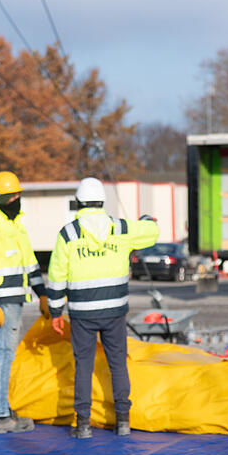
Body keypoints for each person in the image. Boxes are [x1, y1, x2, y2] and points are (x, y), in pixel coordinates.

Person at [46, 177, 159, 439]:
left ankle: (83, 424)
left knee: (83, 366)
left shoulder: (69, 234)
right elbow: (151, 232)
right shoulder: (120, 229)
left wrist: (55, 312)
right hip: (115, 312)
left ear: (78, 203)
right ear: (102, 201)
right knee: (118, 364)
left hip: (82, 314)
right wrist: (147, 220)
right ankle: (123, 422)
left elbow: (57, 275)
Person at [0, 170, 50, 434]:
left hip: (15, 302)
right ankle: (1, 416)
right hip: (1, 305)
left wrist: (42, 293)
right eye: (11, 195)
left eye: (18, 194)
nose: (16, 199)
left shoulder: (16, 225)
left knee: (8, 354)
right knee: (4, 354)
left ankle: (3, 408)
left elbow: (30, 264)